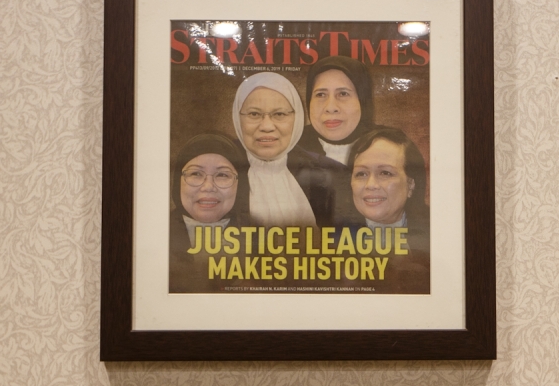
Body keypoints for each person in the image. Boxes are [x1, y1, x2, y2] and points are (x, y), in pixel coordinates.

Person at [290, 56, 397, 225]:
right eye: (320, 94)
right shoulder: (287, 149)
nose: (330, 107)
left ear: (363, 100)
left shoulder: (392, 146)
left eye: (343, 94)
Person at [232, 72, 322, 227]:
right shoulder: (219, 170)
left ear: (298, 118)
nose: (266, 126)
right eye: (254, 114)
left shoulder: (321, 174)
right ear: (237, 117)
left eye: (279, 114)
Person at [347, 128, 430, 292]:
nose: (371, 184)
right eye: (361, 174)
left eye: (385, 173)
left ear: (411, 184)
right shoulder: (325, 236)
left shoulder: (437, 234)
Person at [169, 133, 250, 293]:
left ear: (239, 186)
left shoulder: (261, 239)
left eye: (222, 175)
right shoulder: (151, 236)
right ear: (178, 182)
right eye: (195, 174)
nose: (208, 187)